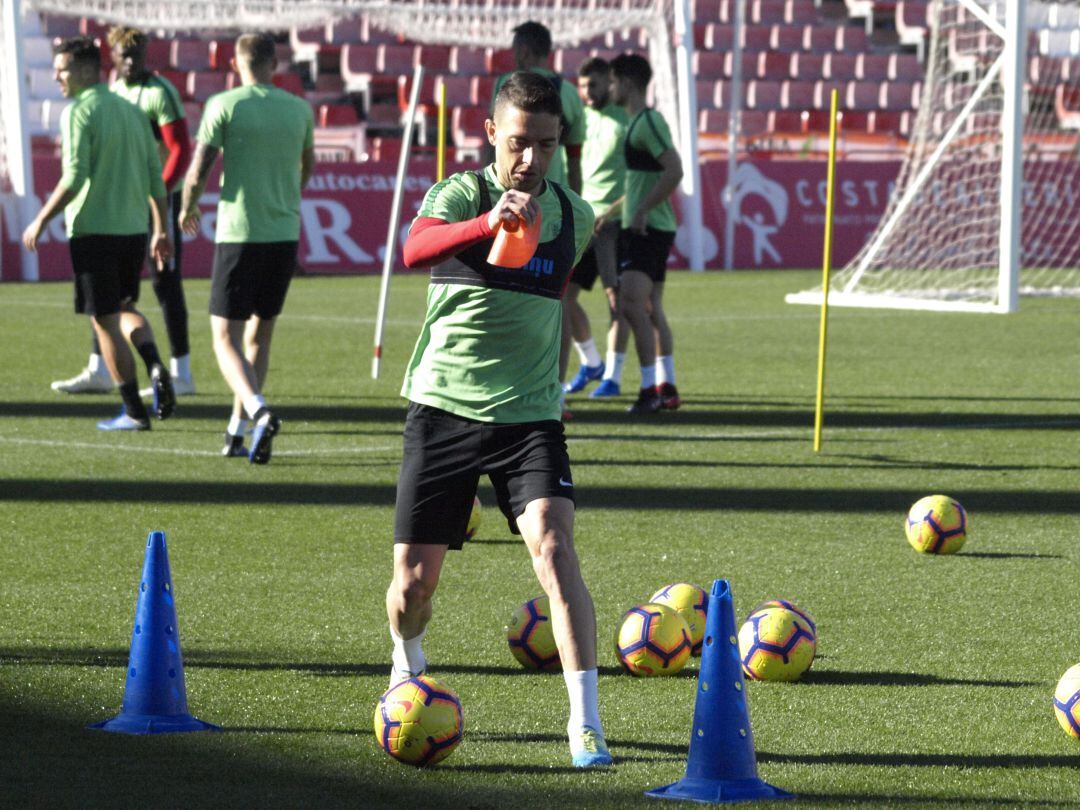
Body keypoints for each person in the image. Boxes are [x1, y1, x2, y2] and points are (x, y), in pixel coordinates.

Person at [388, 71, 611, 769]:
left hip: (530, 417)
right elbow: (412, 249)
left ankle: (586, 723)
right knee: (413, 589)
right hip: (444, 407)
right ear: (491, 134)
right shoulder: (462, 193)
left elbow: (552, 297)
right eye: (519, 142)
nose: (531, 159)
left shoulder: (576, 214)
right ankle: (408, 656)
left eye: (545, 145)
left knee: (554, 546)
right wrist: (490, 224)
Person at [23, 36, 174, 431]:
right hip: (133, 231)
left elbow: (75, 178)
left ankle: (134, 412)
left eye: (63, 68)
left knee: (103, 322)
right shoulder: (132, 112)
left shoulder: (78, 113)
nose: (56, 75)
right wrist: (160, 229)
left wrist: (40, 219)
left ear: (87, 70)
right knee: (124, 307)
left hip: (94, 231)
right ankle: (156, 363)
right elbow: (155, 180)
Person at [179, 32, 315, 463]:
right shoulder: (298, 109)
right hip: (283, 233)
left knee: (224, 336)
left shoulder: (224, 104)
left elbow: (199, 167)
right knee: (260, 334)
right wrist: (289, 197)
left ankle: (257, 411)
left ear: (237, 64)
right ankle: (236, 431)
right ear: (275, 64)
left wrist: (186, 206)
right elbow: (307, 164)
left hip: (240, 233)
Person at [50, 27, 196, 397]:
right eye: (124, 54)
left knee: (165, 283)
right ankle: (100, 368)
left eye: (139, 54)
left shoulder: (159, 92)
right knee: (108, 295)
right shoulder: (113, 95)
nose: (132, 61)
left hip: (156, 197)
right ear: (110, 57)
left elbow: (179, 149)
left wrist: (158, 197)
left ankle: (182, 370)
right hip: (128, 202)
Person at [609, 53, 684, 414]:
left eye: (612, 81)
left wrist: (642, 210)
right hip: (645, 226)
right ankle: (666, 386)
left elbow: (674, 169)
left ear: (626, 82)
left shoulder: (648, 121)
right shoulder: (637, 123)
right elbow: (644, 179)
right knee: (651, 309)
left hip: (647, 229)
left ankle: (648, 390)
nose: (610, 88)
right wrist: (614, 210)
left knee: (630, 306)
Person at [562, 57, 631, 400]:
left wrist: (614, 209)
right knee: (562, 296)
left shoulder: (626, 120)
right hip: (584, 222)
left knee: (616, 299)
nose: (588, 92)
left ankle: (614, 377)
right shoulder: (581, 121)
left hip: (613, 224)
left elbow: (639, 177)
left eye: (595, 85)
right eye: (583, 86)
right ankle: (591, 362)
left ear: (609, 82)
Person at [489, 21, 585, 194]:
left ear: (524, 51)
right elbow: (575, 159)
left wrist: (486, 188)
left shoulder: (505, 84)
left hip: (506, 194)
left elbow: (491, 144)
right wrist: (576, 202)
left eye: (515, 50)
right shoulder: (570, 93)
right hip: (553, 198)